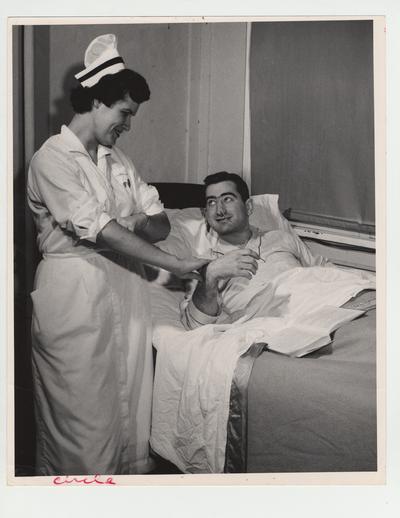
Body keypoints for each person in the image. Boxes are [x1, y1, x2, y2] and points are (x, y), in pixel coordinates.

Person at [27, 34, 206, 476]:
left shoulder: (119, 161)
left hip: (125, 294)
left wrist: (140, 223)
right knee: (82, 421)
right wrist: (176, 263)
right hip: (75, 297)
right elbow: (100, 231)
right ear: (96, 101)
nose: (128, 123)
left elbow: (160, 221)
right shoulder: (53, 159)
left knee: (128, 417)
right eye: (125, 113)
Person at [181, 171, 334, 330]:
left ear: (248, 207)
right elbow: (195, 326)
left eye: (227, 199)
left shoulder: (281, 238)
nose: (220, 210)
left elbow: (326, 271)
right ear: (205, 214)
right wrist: (210, 275)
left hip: (319, 310)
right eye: (212, 202)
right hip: (276, 330)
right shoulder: (203, 266)